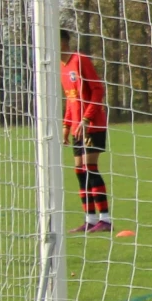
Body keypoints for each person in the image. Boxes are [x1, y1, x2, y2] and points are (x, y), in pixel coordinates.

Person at [60, 27, 110, 233]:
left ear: (62, 42)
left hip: (92, 124)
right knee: (80, 170)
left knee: (90, 169)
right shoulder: (61, 66)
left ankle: (105, 220)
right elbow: (71, 100)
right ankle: (89, 220)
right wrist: (66, 125)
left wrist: (87, 118)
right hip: (77, 128)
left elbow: (98, 89)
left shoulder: (79, 60)